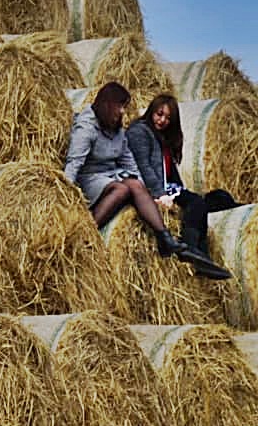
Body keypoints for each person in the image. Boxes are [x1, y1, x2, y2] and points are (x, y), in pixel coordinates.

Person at [63, 81, 224, 275]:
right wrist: (65, 197)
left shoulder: (117, 131)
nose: (123, 111)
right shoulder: (86, 128)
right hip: (89, 178)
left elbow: (130, 163)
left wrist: (146, 193)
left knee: (134, 184)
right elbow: (74, 163)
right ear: (108, 105)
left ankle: (166, 238)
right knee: (123, 188)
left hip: (110, 176)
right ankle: (87, 231)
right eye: (120, 106)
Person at [126, 93, 235, 280]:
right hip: (153, 189)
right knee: (197, 204)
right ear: (152, 110)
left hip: (170, 187)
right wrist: (159, 194)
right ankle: (192, 249)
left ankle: (240, 212)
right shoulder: (140, 131)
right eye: (159, 114)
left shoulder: (162, 136)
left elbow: (171, 172)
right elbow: (143, 166)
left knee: (219, 197)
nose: (162, 120)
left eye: (168, 118)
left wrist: (182, 191)